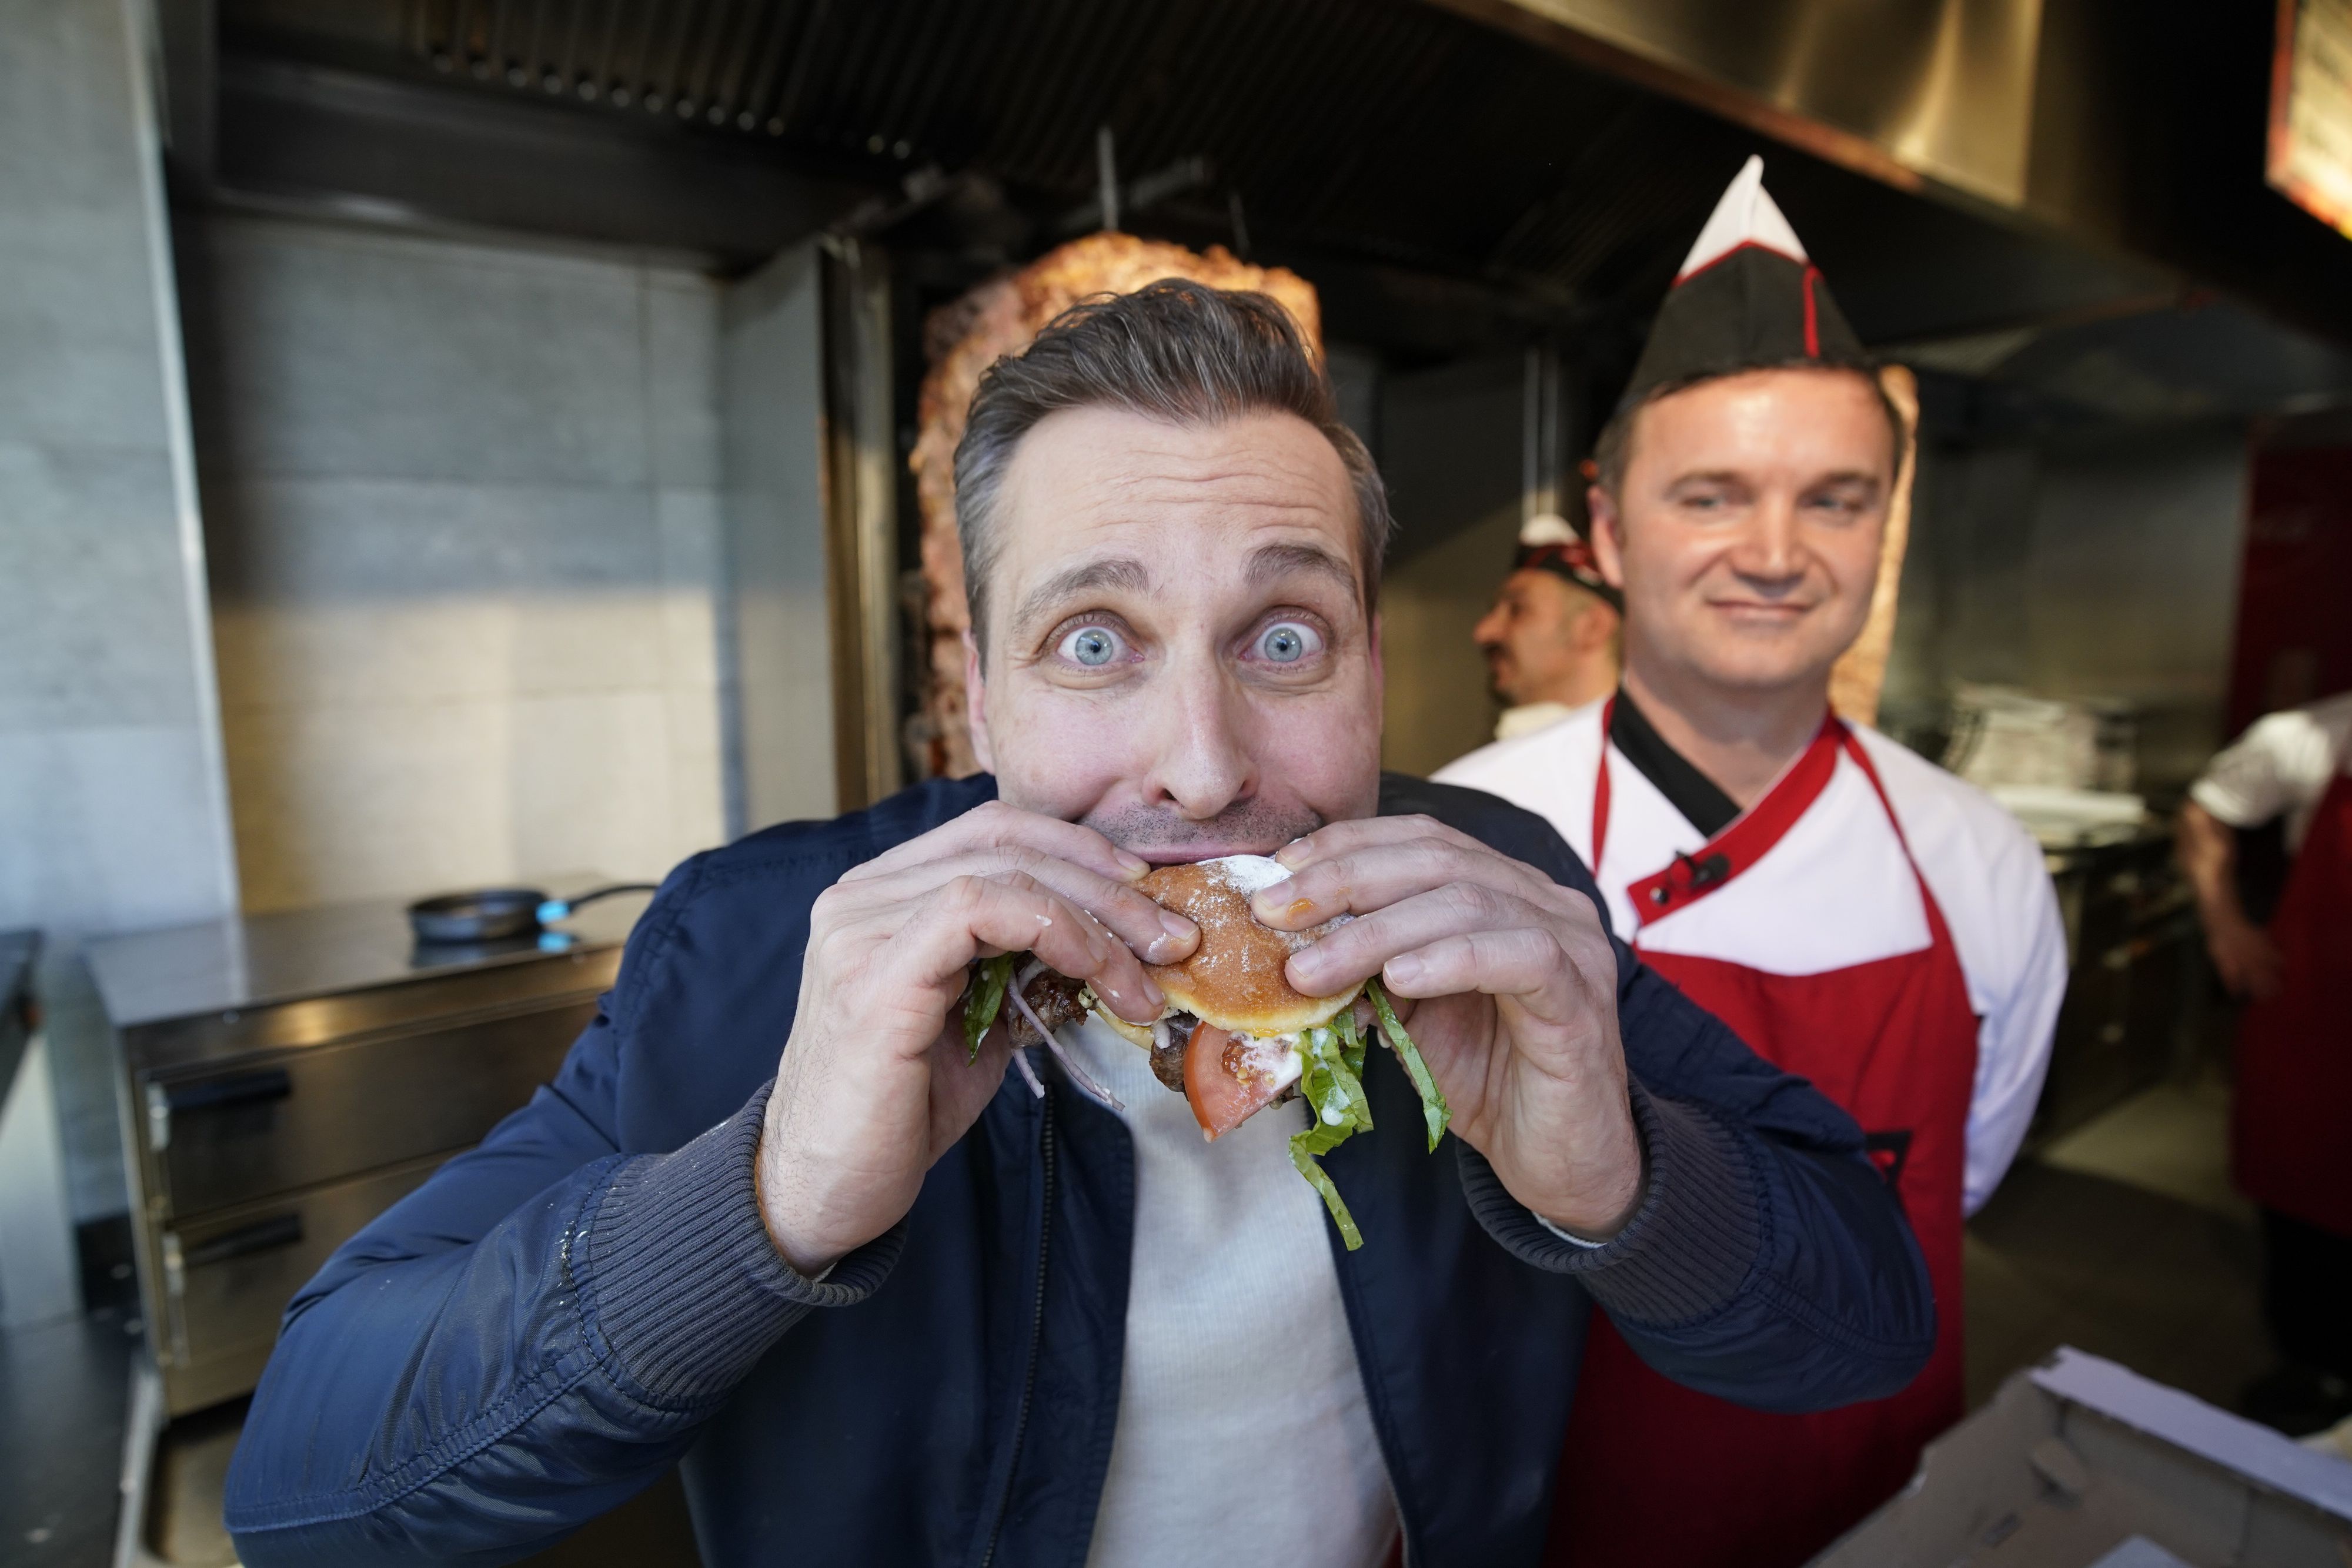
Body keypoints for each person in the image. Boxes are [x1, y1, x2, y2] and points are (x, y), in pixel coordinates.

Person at [223, 280, 1935, 1568]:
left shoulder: (1486, 892)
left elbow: (1867, 1324)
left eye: (1281, 638)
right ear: (977, 701)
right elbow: (304, 1489)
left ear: (1371, 672)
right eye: (1095, 643)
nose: (1198, 772)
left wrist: (1616, 1181)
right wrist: (762, 1202)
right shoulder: (754, 948)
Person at [1436, 156, 2066, 1568]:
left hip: (1866, 1510)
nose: (1774, 553)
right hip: (1540, 1509)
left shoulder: (1977, 864)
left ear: (1881, 525)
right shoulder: (1467, 833)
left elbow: (1949, 1195)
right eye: (1710, 496)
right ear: (1606, 526)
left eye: (1834, 500)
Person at [2179, 688, 2352, 1434]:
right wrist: (2224, 926)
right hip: (2321, 1018)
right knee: (2301, 1201)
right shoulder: (2312, 738)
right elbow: (2203, 812)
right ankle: (2313, 1367)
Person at [1474, 513, 1623, 741]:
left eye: (1517, 610)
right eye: (1493, 611)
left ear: (1592, 627)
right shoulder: (1485, 768)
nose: (1483, 632)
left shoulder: (1643, 768)